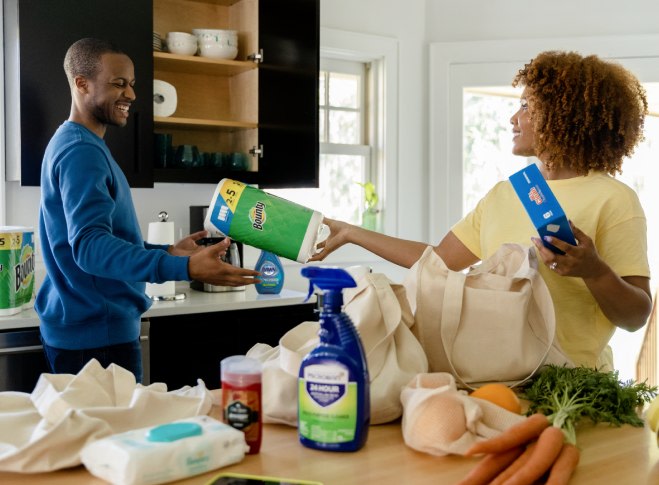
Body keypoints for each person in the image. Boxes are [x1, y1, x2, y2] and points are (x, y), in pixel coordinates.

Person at [311, 50, 652, 371]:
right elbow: (437, 260)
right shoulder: (506, 194)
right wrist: (353, 233)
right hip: (500, 380)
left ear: (567, 115)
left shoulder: (614, 200)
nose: (514, 118)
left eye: (528, 108)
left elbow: (636, 317)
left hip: (577, 388)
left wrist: (594, 271)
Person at [36, 38, 260, 383]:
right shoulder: (81, 152)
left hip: (88, 329)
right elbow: (90, 247)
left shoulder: (76, 144)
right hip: (98, 338)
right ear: (82, 83)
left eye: (132, 84)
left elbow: (93, 241)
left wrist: (165, 251)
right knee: (117, 436)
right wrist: (182, 265)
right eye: (119, 83)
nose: (131, 95)